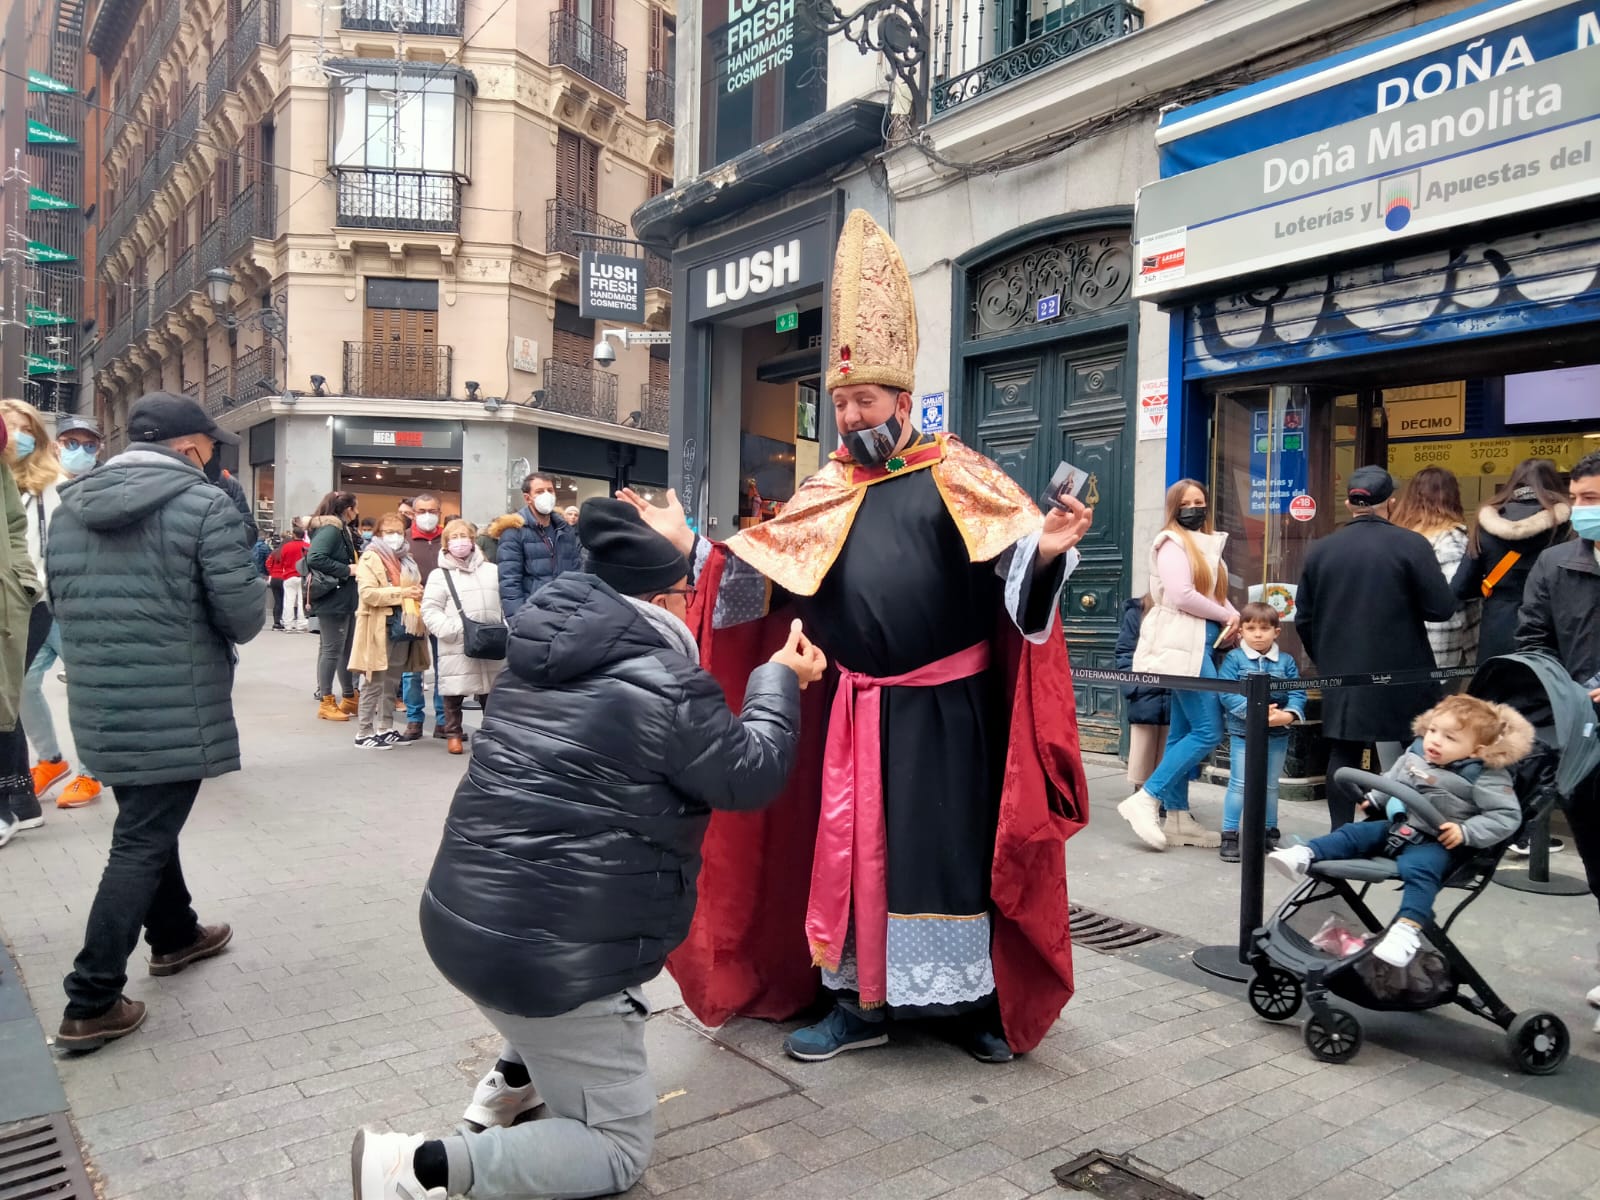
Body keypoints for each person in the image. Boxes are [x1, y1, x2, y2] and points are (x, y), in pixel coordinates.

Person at [618, 210, 1093, 1065]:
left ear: (902, 402)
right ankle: (858, 1002)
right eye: (837, 403)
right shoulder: (825, 486)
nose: (847, 415)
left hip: (952, 716)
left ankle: (970, 1002)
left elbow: (1019, 594)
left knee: (950, 853)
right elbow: (757, 577)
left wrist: (1044, 553)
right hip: (852, 712)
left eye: (862, 400)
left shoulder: (961, 472)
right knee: (848, 855)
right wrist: (690, 546)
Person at [353, 498, 820, 1200]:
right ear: (666, 596)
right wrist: (779, 679)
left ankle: (509, 1086)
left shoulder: (537, 654)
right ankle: (416, 1169)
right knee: (616, 1150)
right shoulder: (666, 685)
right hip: (547, 960)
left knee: (573, 938)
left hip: (462, 923)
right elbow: (749, 773)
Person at [49, 393, 264, 1050]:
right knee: (140, 840)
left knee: (145, 818)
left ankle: (175, 934)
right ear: (189, 447)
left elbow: (59, 600)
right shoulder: (205, 506)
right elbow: (246, 618)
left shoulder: (68, 510)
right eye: (209, 446)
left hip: (100, 697)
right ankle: (92, 996)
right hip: (177, 699)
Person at [1269, 695, 1529, 967]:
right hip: (1401, 826)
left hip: (1437, 841)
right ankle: (1305, 854)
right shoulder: (1417, 754)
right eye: (1432, 731)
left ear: (1477, 750)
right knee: (1352, 834)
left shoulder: (1484, 776)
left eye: (1450, 738)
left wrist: (1466, 831)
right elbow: (1393, 780)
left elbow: (1506, 817)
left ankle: (1406, 931)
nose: (1435, 741)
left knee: (1420, 871)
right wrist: (1375, 799)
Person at [1296, 466, 1458, 829]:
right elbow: (1441, 607)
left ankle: (1340, 834)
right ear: (1392, 503)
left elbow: (1304, 618)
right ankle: (1415, 828)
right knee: (1417, 752)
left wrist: (1327, 659)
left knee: (1344, 751)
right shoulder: (1412, 544)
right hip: (1405, 670)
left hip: (1344, 672)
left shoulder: (1321, 550)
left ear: (1349, 502)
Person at [1515, 449, 1600, 1024]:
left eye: (1593, 500)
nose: (1582, 511)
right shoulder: (1556, 564)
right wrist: (1568, 694)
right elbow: (1534, 641)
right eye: (1580, 500)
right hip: (1584, 736)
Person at [1119, 479, 1237, 851]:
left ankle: (1179, 817)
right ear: (1174, 507)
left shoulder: (1204, 544)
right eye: (1186, 502)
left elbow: (1213, 594)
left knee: (1182, 730)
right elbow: (1183, 595)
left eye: (1200, 501)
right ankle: (1147, 797)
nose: (1194, 507)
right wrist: (1223, 614)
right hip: (1181, 645)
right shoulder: (1171, 542)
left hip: (1196, 642)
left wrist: (1232, 616)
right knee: (1208, 729)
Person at [1454, 458, 1570, 665]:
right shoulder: (1570, 526)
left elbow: (1461, 587)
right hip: (1552, 628)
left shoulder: (1487, 523)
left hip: (1498, 627)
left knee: (1497, 693)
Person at [1215, 602, 1306, 862]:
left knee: (1270, 785)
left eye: (1264, 629)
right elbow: (1227, 693)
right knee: (1240, 784)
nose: (1258, 634)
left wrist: (1287, 715)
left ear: (1276, 632)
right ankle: (1230, 832)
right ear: (1241, 631)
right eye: (1251, 628)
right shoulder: (1234, 659)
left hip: (1277, 734)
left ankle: (1268, 831)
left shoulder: (1286, 661)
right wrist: (1256, 714)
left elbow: (1297, 692)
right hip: (1243, 733)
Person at [420, 519, 505, 754]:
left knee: (492, 691)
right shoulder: (440, 575)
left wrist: (504, 625)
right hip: (457, 639)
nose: (460, 541)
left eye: (464, 536)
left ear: (472, 540)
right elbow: (430, 609)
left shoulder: (492, 571)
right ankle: (454, 733)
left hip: (490, 638)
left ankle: (492, 734)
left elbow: (504, 602)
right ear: (446, 543)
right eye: (454, 537)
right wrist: (450, 629)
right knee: (454, 689)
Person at [0, 414, 44, 850]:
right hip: (22, 597)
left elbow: (17, 531)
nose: (15, 436)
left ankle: (14, 798)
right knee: (16, 696)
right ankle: (20, 794)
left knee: (11, 696)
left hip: (39, 601)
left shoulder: (53, 483)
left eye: (22, 426)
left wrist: (26, 581)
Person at [350, 512, 429, 750]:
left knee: (392, 680)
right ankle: (364, 731)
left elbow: (414, 584)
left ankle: (384, 727)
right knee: (373, 678)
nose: (394, 537)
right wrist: (403, 593)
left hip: (404, 624)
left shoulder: (407, 558)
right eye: (388, 532)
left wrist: (417, 592)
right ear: (378, 534)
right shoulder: (371, 558)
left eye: (398, 531)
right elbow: (368, 594)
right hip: (378, 624)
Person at [1393, 466, 1480, 670]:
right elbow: (1453, 592)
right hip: (1440, 645)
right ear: (1452, 497)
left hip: (1400, 641)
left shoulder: (1398, 534)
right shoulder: (1451, 537)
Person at [308, 492, 362, 722]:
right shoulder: (332, 529)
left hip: (343, 597)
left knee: (345, 650)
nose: (358, 512)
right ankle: (326, 700)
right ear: (348, 508)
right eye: (356, 507)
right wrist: (347, 569)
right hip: (334, 598)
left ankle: (349, 696)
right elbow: (315, 557)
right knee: (332, 650)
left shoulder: (340, 528)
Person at [497, 473, 581, 616]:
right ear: (527, 498)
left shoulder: (565, 530)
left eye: (550, 490)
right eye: (540, 491)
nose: (547, 495)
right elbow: (509, 583)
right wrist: (518, 621)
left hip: (566, 611)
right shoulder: (514, 532)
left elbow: (577, 571)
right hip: (533, 614)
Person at [401, 492, 447, 742]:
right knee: (412, 670)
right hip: (413, 611)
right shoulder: (403, 540)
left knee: (444, 668)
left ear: (439, 513)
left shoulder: (450, 538)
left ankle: (443, 720)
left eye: (432, 511)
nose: (427, 516)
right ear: (413, 513)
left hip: (443, 611)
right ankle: (414, 719)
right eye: (421, 511)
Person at [1116, 595, 1169, 791]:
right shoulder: (1138, 610)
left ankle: (1164, 798)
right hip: (1144, 692)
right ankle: (1142, 796)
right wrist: (1133, 687)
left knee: (1169, 749)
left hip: (1174, 692)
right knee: (1142, 750)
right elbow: (1125, 650)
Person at [272, 527, 308, 631]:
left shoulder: (286, 547)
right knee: (302, 601)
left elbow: (281, 560)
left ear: (294, 535)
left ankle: (288, 623)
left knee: (289, 600)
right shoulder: (307, 546)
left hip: (289, 575)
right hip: (303, 576)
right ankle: (301, 624)